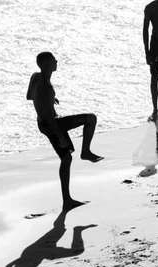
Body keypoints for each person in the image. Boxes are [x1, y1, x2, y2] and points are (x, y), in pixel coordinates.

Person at [26, 51, 103, 212]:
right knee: (91, 118)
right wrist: (59, 135)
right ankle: (86, 152)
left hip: (43, 124)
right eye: (54, 60)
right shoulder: (47, 87)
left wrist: (48, 100)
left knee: (66, 158)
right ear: (47, 65)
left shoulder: (35, 77)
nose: (57, 62)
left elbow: (29, 96)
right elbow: (49, 115)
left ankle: (67, 201)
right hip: (52, 124)